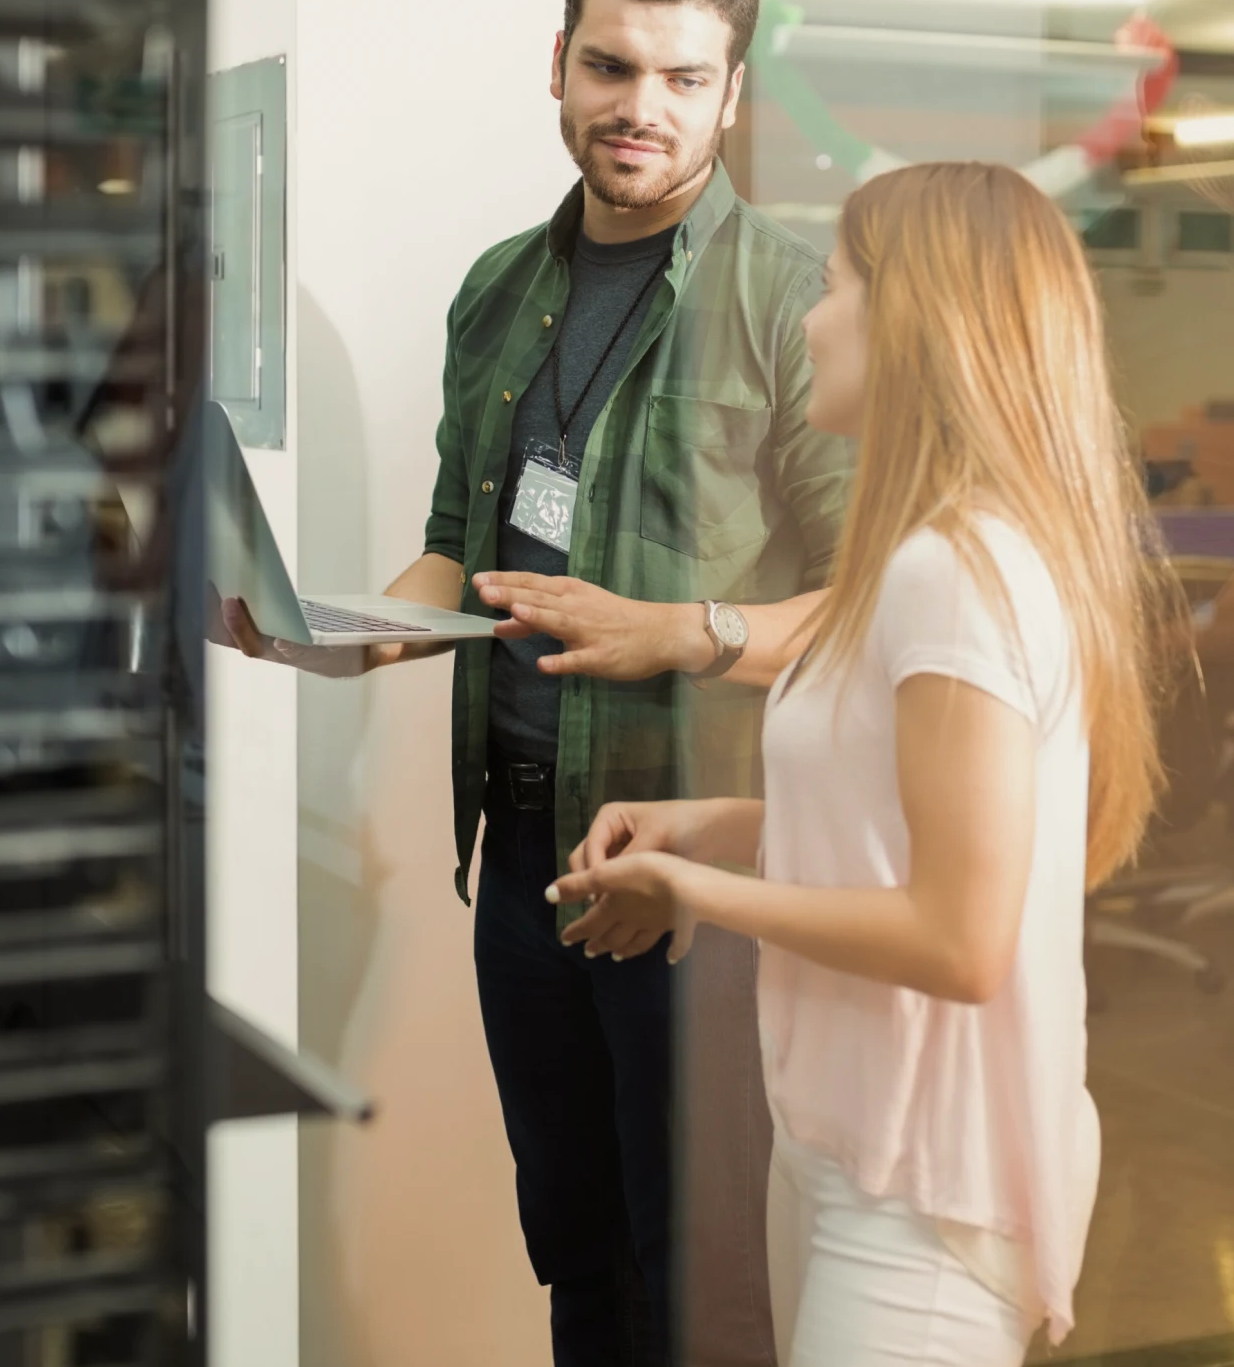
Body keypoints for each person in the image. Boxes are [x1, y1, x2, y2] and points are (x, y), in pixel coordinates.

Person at [220, 0, 852, 1365]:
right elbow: (461, 545)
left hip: (689, 876)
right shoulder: (498, 289)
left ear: (732, 95)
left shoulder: (794, 306)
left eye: (684, 80)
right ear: (558, 64)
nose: (642, 109)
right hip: (521, 859)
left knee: (702, 1281)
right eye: (614, 67)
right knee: (573, 1249)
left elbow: (867, 604)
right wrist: (345, 633)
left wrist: (686, 633)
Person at [488, 161, 1181, 1365]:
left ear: (917, 322)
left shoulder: (956, 573)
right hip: (846, 1141)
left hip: (922, 1187)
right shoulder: (919, 555)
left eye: (843, 286)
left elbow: (960, 940)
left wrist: (691, 895)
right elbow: (888, 815)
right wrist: (706, 826)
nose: (811, 319)